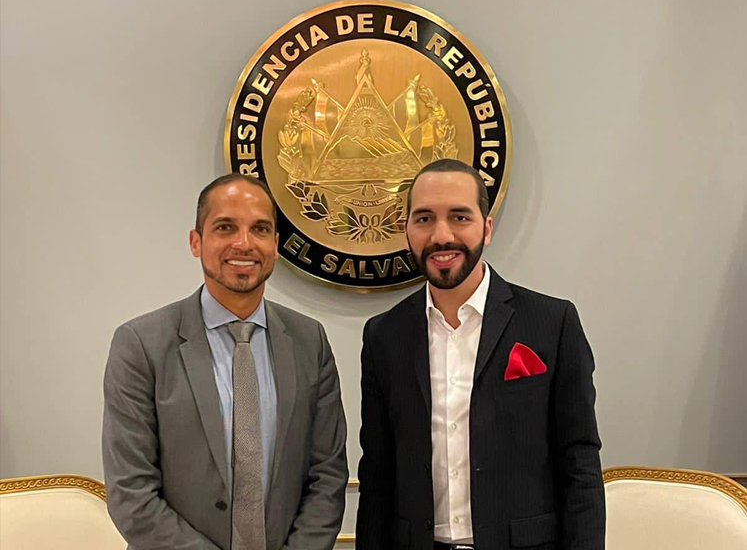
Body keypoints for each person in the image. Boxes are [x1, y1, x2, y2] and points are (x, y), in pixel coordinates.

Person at [356, 159, 605, 550]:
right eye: (424, 219)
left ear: (486, 228)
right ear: (406, 231)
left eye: (459, 217)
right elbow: (376, 472)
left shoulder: (552, 323)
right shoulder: (384, 336)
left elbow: (580, 463)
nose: (442, 236)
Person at [102, 174, 348, 550]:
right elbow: (131, 491)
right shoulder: (140, 345)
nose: (244, 243)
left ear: (276, 245)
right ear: (196, 242)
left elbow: (327, 475)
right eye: (225, 227)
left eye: (260, 229)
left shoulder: (308, 341)